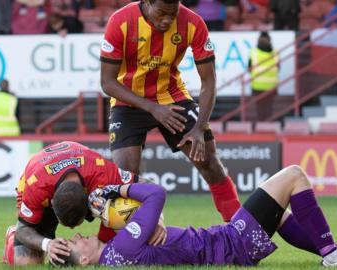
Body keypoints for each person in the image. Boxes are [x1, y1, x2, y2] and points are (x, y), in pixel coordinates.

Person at [62, 165, 337, 267]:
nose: (78, 237)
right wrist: (117, 190)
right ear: (85, 261)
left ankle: (333, 253)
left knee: (275, 215)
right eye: (75, 243)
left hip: (225, 244)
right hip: (230, 243)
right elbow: (157, 194)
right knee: (294, 175)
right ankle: (333, 255)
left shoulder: (118, 254)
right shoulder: (123, 249)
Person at [100, 0, 241, 224]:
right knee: (126, 177)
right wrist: (153, 108)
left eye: (172, 14)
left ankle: (240, 227)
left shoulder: (193, 23)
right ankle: (123, 241)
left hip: (172, 97)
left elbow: (209, 83)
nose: (167, 20)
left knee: (210, 161)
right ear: (147, 3)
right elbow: (107, 83)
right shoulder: (120, 21)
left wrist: (199, 127)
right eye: (161, 13)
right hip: (128, 101)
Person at [2, 141, 166, 266]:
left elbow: (148, 186)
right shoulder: (36, 186)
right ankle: (11, 234)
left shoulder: (101, 171)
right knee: (26, 262)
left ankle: (107, 237)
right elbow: (25, 230)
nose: (73, 230)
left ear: (89, 204)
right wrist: (47, 244)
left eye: (76, 224)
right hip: (38, 180)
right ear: (51, 204)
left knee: (121, 207)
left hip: (88, 180)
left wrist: (157, 219)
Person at [248, 31, 279, 121]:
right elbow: (278, 68)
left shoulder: (253, 52)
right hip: (271, 86)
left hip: (257, 86)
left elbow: (249, 69)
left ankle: (261, 126)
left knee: (260, 109)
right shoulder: (275, 53)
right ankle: (268, 125)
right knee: (269, 108)